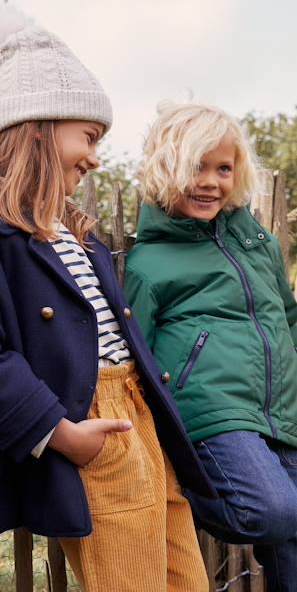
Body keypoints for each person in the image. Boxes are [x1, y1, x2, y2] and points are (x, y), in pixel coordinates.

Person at [0, 7, 214, 592]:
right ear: (36, 126)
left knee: (184, 571)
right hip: (91, 423)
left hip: (139, 411)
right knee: (130, 581)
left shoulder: (72, 232)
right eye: (88, 136)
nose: (93, 156)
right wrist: (59, 433)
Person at [124, 101, 297, 592]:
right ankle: (180, 490)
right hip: (212, 415)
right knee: (273, 511)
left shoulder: (255, 243)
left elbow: (286, 316)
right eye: (196, 166)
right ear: (165, 168)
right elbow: (138, 355)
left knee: (293, 525)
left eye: (223, 168)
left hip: (280, 408)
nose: (210, 181)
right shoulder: (150, 263)